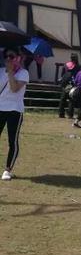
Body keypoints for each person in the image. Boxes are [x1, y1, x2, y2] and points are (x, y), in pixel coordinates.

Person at [0, 48, 29, 180]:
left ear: (18, 57)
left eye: (11, 56)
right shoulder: (0, 71)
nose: (8, 59)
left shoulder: (23, 73)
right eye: (6, 56)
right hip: (0, 108)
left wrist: (11, 71)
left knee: (13, 140)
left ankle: (7, 169)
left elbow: (14, 88)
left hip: (14, 110)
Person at [58, 53, 81, 119]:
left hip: (65, 82)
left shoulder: (66, 65)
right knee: (71, 99)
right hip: (72, 83)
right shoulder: (77, 66)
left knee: (63, 98)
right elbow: (78, 75)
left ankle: (61, 113)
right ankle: (70, 114)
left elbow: (62, 74)